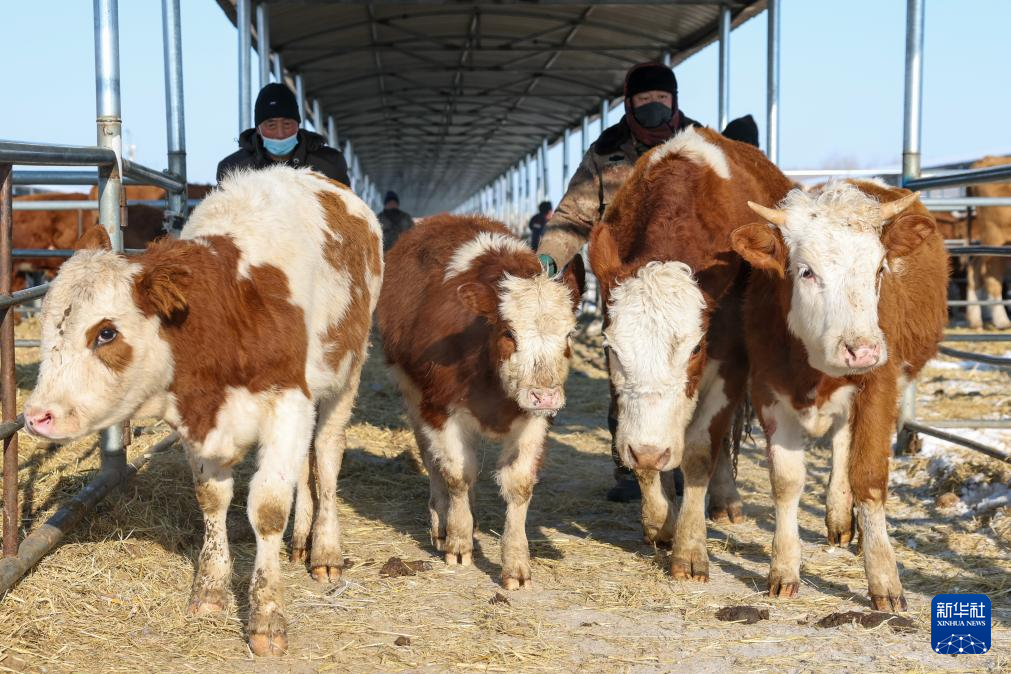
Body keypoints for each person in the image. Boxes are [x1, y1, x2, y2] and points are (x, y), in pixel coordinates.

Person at [536, 62, 702, 503]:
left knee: (685, 378)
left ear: (674, 102)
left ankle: (687, 463)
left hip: (689, 292)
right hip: (627, 292)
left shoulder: (700, 146)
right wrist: (547, 263)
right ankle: (629, 468)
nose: (653, 109)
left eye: (660, 101)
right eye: (643, 102)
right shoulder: (606, 151)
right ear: (629, 105)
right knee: (625, 379)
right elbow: (573, 216)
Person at [216, 83, 350, 186]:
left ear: (298, 125)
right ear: (258, 129)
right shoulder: (233, 169)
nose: (280, 134)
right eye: (271, 125)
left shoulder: (330, 164)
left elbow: (348, 215)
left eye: (287, 124)